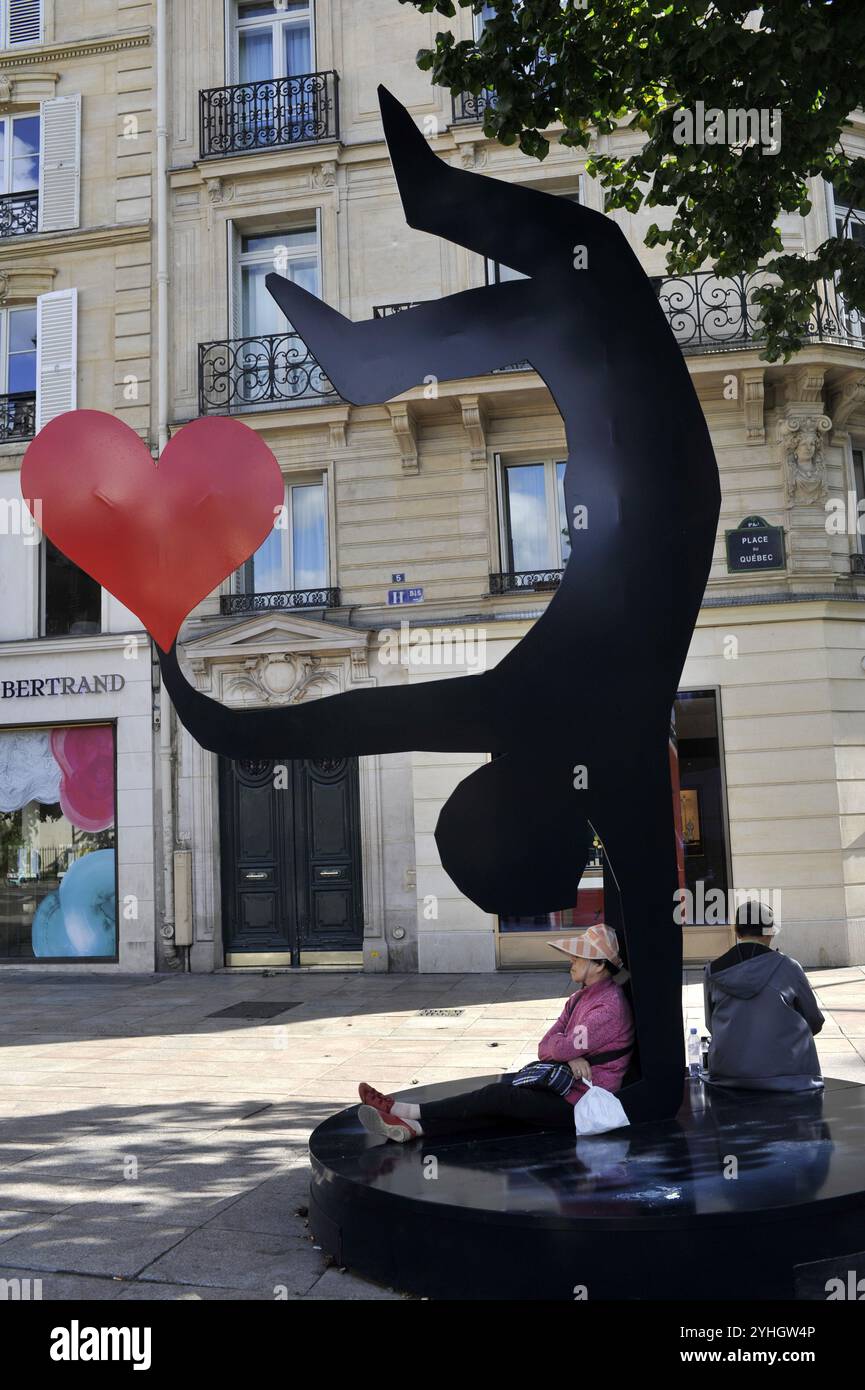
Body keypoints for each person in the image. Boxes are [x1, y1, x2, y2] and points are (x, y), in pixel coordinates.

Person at [356, 924, 635, 1142]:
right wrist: (570, 1056)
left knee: (497, 1097)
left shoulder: (608, 1006)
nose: (571, 961)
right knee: (500, 1107)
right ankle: (413, 1128)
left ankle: (406, 1111)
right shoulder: (580, 997)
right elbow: (545, 1046)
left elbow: (558, 1047)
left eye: (578, 956)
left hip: (581, 1104)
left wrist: (566, 1052)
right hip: (563, 1087)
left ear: (599, 965)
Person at [703, 900, 824, 1092]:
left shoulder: (713, 971)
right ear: (770, 931)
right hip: (789, 1076)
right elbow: (814, 1021)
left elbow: (711, 1025)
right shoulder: (789, 967)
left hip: (728, 1075)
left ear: (737, 931)